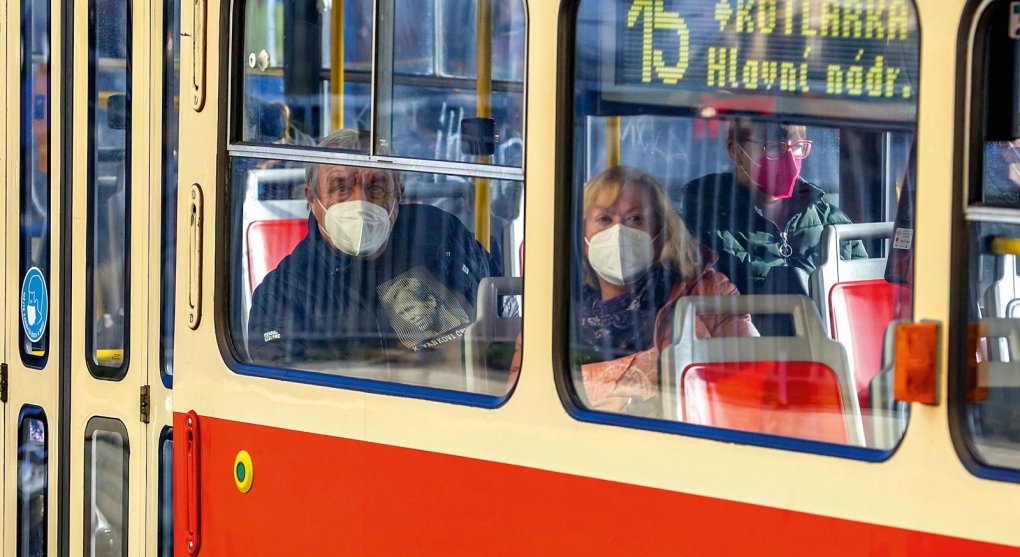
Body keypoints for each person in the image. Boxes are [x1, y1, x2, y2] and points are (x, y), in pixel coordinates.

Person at [246, 129, 494, 369]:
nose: (360, 203)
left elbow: (500, 301)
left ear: (399, 194)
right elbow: (291, 390)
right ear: (312, 198)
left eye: (375, 187)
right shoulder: (283, 293)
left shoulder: (439, 232)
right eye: (341, 188)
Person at [573, 166, 757, 415]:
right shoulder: (556, 300)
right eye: (604, 219)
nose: (618, 232)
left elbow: (752, 384)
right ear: (582, 234)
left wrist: (598, 384)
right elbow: (530, 387)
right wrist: (646, 372)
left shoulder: (709, 294)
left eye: (635, 218)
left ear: (661, 233)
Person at [677, 119, 866, 298]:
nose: (791, 161)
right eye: (775, 147)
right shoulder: (704, 224)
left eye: (799, 147)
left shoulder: (833, 222)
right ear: (737, 152)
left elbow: (863, 297)